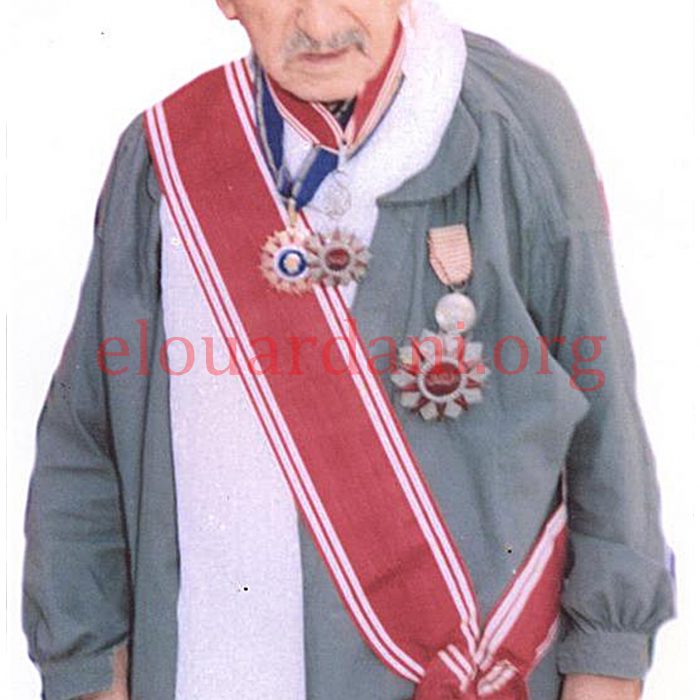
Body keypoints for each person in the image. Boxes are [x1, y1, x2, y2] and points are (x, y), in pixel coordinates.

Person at [21, 1, 675, 699]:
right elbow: (85, 443)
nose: (323, 25)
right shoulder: (166, 153)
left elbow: (605, 421)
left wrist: (608, 664)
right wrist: (87, 675)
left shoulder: (514, 121)